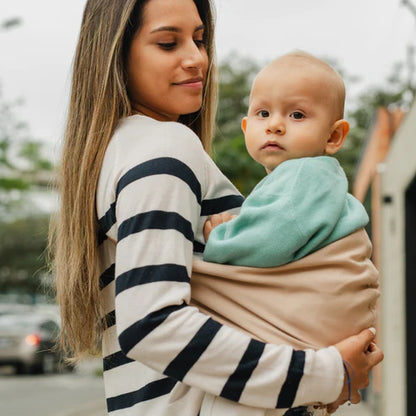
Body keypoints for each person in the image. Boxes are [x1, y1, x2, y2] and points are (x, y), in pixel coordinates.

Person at [51, 2, 383, 416]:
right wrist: (328, 374)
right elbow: (152, 325)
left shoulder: (114, 154)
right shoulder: (164, 147)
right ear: (116, 54)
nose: (197, 59)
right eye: (169, 43)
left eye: (200, 39)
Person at [192, 51, 380, 415]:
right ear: (247, 127)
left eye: (296, 115)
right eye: (263, 113)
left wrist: (222, 239)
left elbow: (269, 240)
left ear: (334, 135)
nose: (275, 125)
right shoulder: (309, 179)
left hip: (308, 323)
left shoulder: (303, 176)